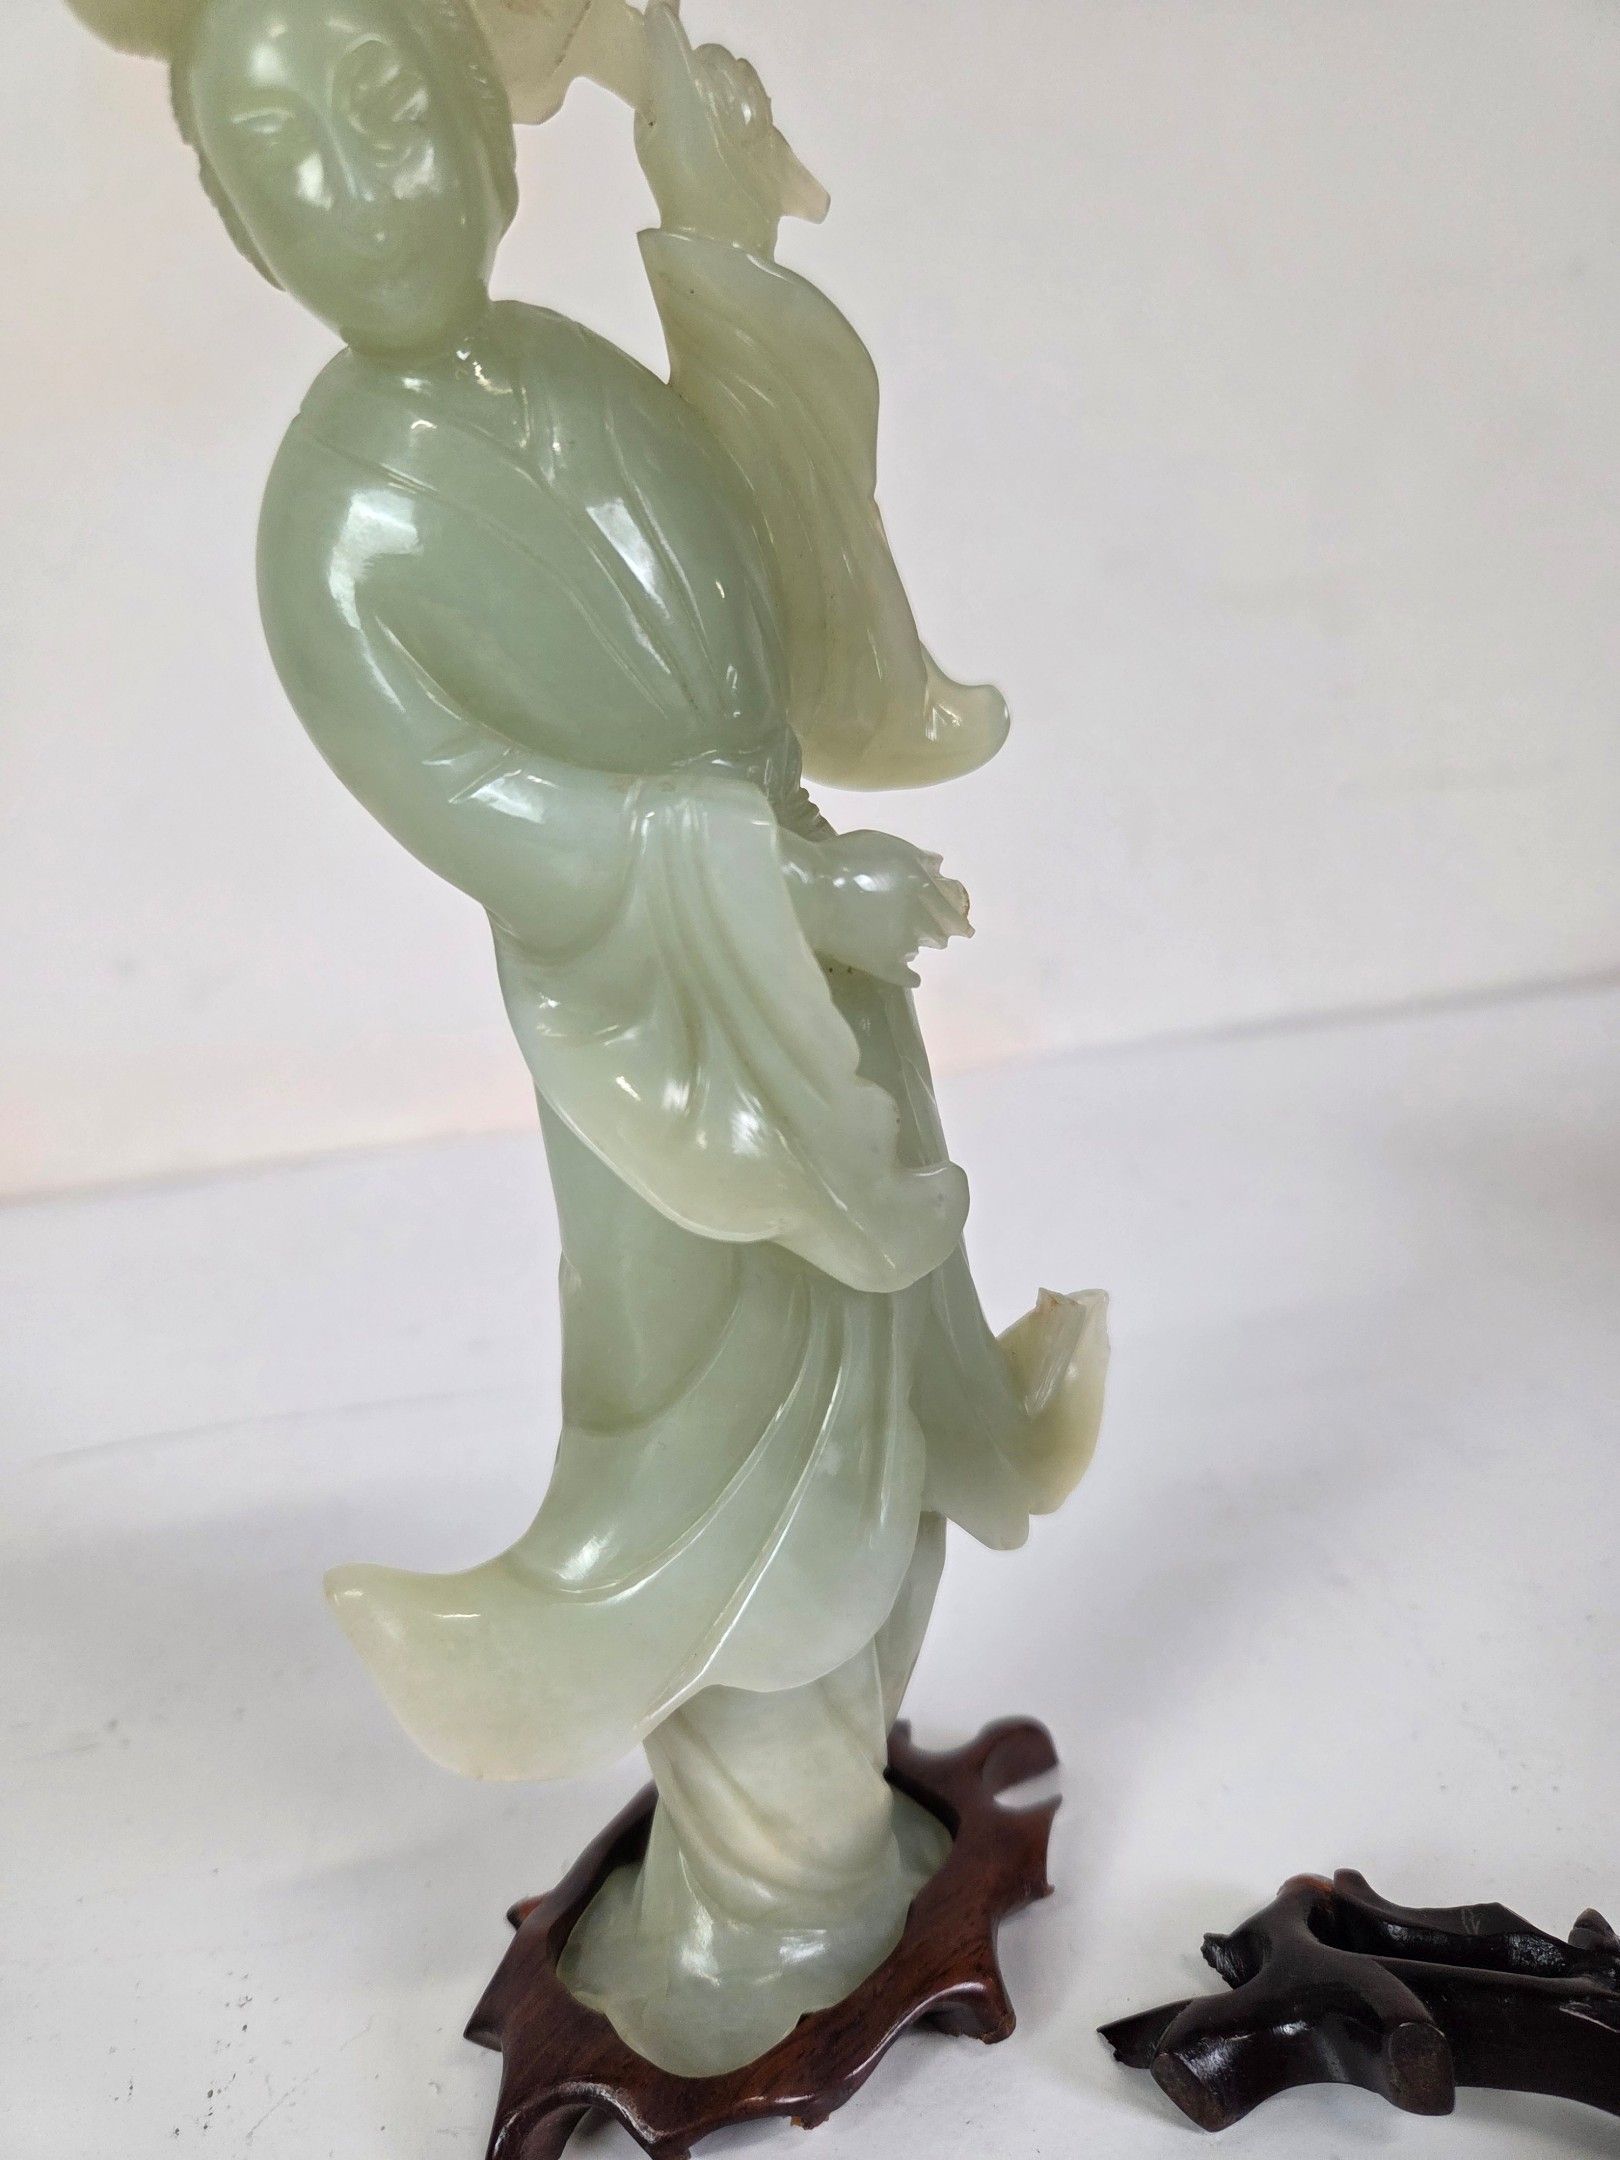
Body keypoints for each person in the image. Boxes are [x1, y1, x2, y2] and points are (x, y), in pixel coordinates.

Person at [152, 0, 1107, 2074]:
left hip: (799, 974)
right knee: (734, 1460)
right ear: (236, 222)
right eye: (289, 150)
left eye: (393, 108)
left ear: (490, 137)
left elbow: (788, 580)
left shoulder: (569, 374)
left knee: (875, 1390)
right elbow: (509, 824)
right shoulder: (338, 522)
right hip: (665, 1031)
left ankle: (844, 1841)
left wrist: (712, 226)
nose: (365, 182)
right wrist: (787, 892)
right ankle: (763, 1902)